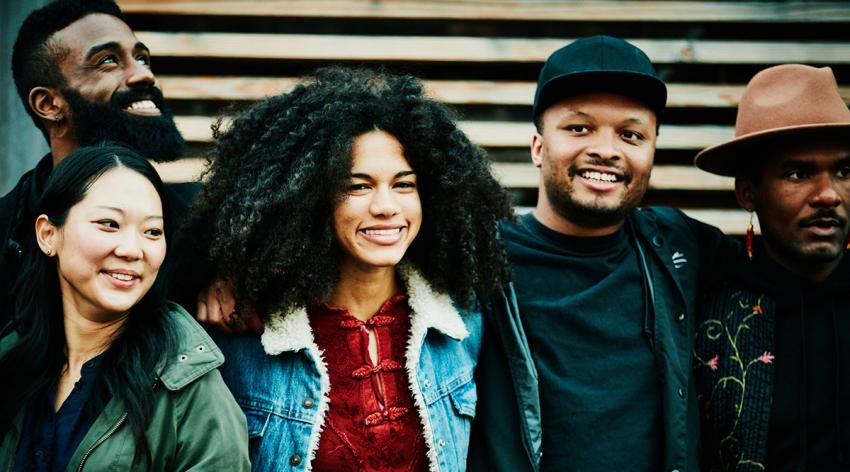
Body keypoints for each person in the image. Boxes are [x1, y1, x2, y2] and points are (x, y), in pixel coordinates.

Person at [177, 66, 512, 471]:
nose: (387, 207)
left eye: (404, 184)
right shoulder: (243, 334)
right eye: (358, 186)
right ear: (307, 198)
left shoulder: (463, 324)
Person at [468, 35, 737, 472]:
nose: (607, 150)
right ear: (538, 147)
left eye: (631, 134)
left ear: (651, 152)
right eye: (579, 128)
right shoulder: (475, 260)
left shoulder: (680, 247)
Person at [0, 145, 249, 469]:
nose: (133, 250)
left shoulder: (187, 386)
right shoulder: (11, 358)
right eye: (109, 223)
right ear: (48, 234)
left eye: (152, 231)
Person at [693, 64, 850, 471]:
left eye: (844, 171)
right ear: (748, 192)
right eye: (797, 173)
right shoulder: (710, 316)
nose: (828, 194)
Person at [1, 0, 195, 326]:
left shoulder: (202, 223)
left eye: (142, 58)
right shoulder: (6, 230)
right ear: (49, 104)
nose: (144, 75)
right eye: (108, 61)